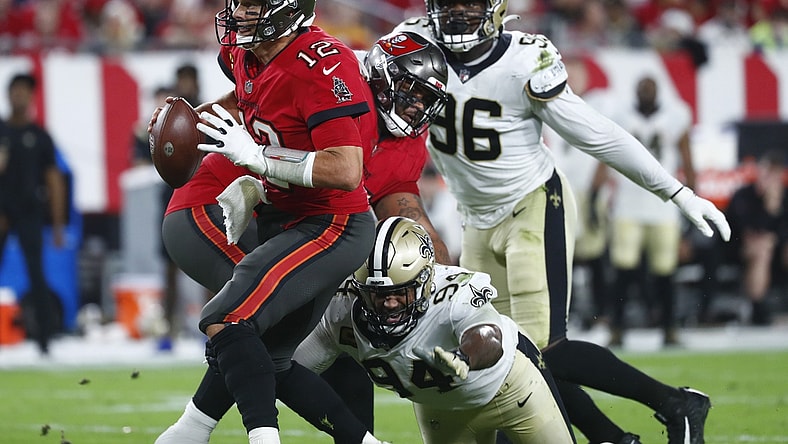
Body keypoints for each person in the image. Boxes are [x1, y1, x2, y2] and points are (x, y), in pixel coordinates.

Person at [395, 2, 730, 443]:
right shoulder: (409, 46)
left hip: (533, 204)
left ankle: (673, 404)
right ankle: (614, 436)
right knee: (500, 348)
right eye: (448, 2)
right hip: (474, 218)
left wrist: (676, 190)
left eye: (470, 2)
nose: (458, 12)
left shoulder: (523, 59)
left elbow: (596, 133)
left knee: (539, 350)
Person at [153, 28, 450, 444]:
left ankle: (187, 434)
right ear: (379, 76)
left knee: (279, 349)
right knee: (242, 324)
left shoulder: (405, 144)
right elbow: (247, 94)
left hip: (288, 223)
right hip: (214, 207)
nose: (413, 105)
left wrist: (448, 284)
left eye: (424, 98)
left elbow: (405, 211)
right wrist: (196, 124)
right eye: (406, 90)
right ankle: (223, 433)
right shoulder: (331, 80)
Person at [295, 216, 576, 444]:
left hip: (512, 390)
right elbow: (291, 370)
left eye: (400, 292)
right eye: (376, 294)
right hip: (441, 411)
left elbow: (489, 336)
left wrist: (465, 357)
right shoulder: (341, 311)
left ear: (425, 280)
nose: (388, 303)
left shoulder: (451, 293)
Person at [605, 75, 697, 347]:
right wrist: (599, 191)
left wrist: (691, 199)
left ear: (658, 91)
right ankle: (618, 328)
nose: (646, 90)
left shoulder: (675, 117)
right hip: (628, 204)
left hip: (663, 206)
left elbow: (687, 160)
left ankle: (669, 328)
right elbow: (607, 153)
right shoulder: (622, 115)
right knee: (623, 270)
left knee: (665, 272)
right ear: (636, 91)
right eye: (642, 86)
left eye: (650, 87)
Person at [0, 73, 67, 356]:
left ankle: (44, 339)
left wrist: (57, 225)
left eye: (24, 91)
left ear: (31, 96)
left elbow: (53, 180)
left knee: (36, 273)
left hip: (29, 210)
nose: (19, 96)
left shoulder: (40, 136)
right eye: (15, 90)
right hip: (1, 210)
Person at [726, 150, 788, 326]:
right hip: (743, 250)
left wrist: (775, 209)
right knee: (761, 250)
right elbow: (745, 230)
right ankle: (758, 308)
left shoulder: (785, 196)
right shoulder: (744, 195)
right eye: (768, 171)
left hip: (777, 250)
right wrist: (769, 208)